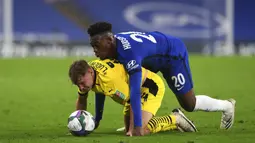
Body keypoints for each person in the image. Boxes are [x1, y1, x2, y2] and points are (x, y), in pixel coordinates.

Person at [86, 22, 236, 136]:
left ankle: (226, 106)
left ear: (109, 40)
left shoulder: (129, 53)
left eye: (97, 46)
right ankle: (141, 121)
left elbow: (135, 91)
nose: (95, 51)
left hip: (172, 56)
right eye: (93, 47)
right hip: (152, 57)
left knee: (190, 104)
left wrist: (138, 126)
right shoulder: (113, 48)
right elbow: (101, 84)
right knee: (133, 89)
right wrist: (98, 118)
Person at [68, 59, 197, 135]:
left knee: (140, 130)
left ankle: (175, 119)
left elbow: (132, 100)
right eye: (77, 84)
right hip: (132, 92)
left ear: (90, 72)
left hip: (149, 87)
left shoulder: (109, 81)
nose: (81, 87)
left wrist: (133, 128)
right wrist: (97, 119)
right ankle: (140, 123)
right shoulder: (90, 73)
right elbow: (91, 95)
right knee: (130, 129)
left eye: (82, 82)